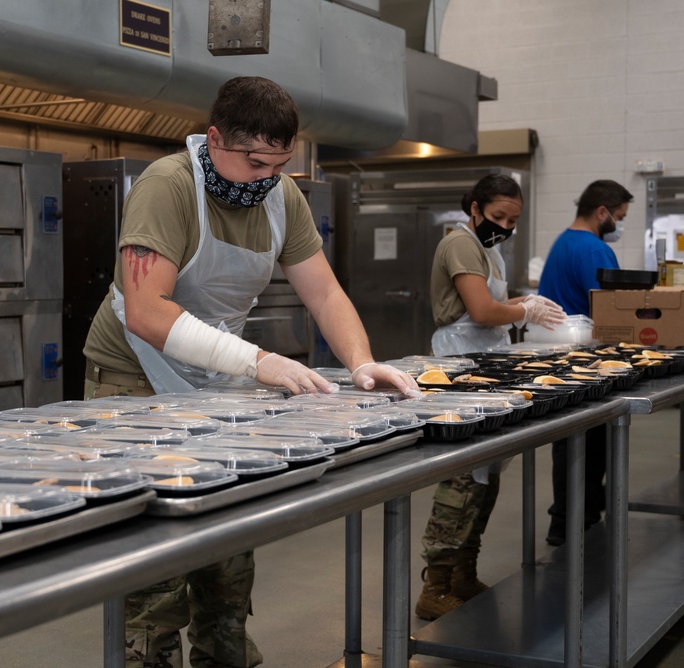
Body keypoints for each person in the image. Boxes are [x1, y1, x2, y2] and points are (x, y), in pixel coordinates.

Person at [82, 76, 419, 668]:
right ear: (215, 139)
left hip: (216, 379)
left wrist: (362, 363)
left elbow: (324, 293)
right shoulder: (168, 187)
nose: (267, 177)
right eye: (256, 162)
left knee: (228, 549)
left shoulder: (280, 195)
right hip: (135, 377)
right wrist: (257, 361)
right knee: (155, 564)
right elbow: (146, 311)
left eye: (279, 164)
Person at [416, 174, 567, 621]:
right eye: (498, 216)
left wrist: (523, 302)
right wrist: (522, 311)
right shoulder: (461, 244)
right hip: (460, 366)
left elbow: (488, 305)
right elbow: (480, 311)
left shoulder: (488, 249)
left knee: (487, 474)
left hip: (485, 362)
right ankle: (436, 583)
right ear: (476, 208)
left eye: (513, 220)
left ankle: (463, 572)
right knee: (464, 475)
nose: (504, 226)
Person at [538, 179, 634, 546]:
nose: (619, 224)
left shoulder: (563, 242)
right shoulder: (594, 250)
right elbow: (613, 311)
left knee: (571, 442)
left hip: (559, 359)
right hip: (590, 361)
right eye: (620, 217)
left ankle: (569, 519)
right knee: (591, 444)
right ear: (602, 212)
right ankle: (576, 523)